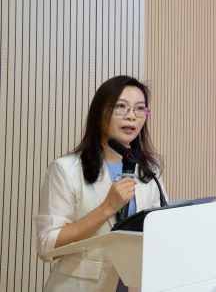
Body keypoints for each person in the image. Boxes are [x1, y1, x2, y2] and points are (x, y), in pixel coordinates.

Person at [35, 76, 166, 292]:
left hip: (135, 284)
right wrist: (107, 208)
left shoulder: (149, 169)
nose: (131, 116)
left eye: (139, 108)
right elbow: (47, 246)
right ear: (99, 113)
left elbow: (159, 228)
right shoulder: (65, 170)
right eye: (121, 107)